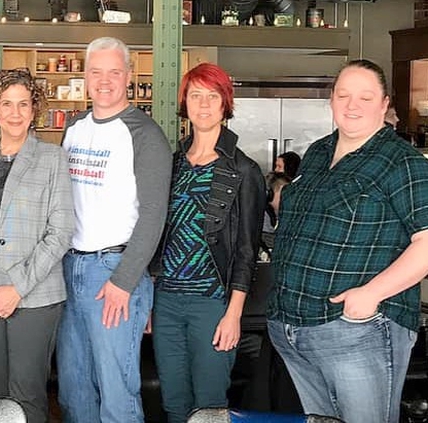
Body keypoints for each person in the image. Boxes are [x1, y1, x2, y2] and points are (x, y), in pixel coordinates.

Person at [267, 59, 428, 423]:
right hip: (295, 329)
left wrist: (370, 295)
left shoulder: (402, 161)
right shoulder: (318, 152)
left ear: (384, 104)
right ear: (332, 100)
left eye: (365, 97)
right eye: (344, 95)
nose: (352, 105)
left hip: (358, 331)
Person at [57, 37, 172, 423]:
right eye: (96, 72)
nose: (104, 80)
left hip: (114, 272)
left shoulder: (144, 134)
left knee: (117, 393)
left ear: (128, 76)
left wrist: (125, 280)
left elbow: (154, 214)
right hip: (70, 269)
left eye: (114, 72)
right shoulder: (73, 127)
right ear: (85, 77)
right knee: (74, 391)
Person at [149, 63, 266, 423]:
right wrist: (150, 303)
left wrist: (233, 314)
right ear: (184, 102)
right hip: (166, 301)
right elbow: (157, 236)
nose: (203, 104)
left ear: (224, 104)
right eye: (195, 95)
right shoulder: (171, 165)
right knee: (173, 402)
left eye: (212, 96)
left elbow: (247, 250)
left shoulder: (243, 171)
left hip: (212, 304)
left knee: (210, 408)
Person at [0, 68, 74, 423]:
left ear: (34, 109)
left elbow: (61, 231)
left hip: (36, 297)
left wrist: (16, 289)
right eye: (6, 104)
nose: (15, 112)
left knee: (26, 395)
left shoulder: (53, 159)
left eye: (23, 104)